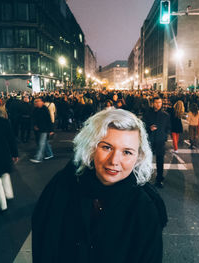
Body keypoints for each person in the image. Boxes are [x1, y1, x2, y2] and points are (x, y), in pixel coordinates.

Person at [32, 109, 167, 263]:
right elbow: (42, 243)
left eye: (127, 152)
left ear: (139, 157)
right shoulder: (61, 187)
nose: (114, 160)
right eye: (106, 147)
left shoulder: (145, 208)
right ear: (91, 147)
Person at [143, 97, 171, 188]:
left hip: (160, 141)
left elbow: (168, 127)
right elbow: (142, 126)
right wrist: (149, 129)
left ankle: (159, 179)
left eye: (160, 102)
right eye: (156, 102)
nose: (158, 104)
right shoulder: (147, 114)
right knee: (147, 160)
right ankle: (145, 179)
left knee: (160, 161)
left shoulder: (165, 115)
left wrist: (165, 136)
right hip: (149, 141)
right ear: (153, 103)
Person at [30, 97, 54, 163]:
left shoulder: (44, 109)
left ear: (42, 102)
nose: (37, 102)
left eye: (38, 101)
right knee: (44, 142)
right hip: (39, 129)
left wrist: (51, 130)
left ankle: (38, 158)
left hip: (44, 129)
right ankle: (50, 154)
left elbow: (49, 120)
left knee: (41, 144)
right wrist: (34, 125)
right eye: (36, 101)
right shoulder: (36, 109)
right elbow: (33, 118)